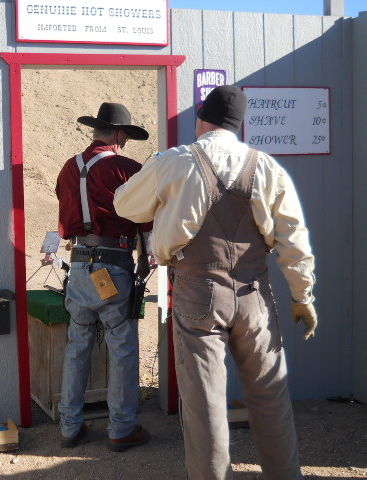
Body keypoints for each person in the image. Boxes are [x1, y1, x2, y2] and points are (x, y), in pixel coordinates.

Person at [113, 86, 317, 479]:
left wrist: (165, 204)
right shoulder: (267, 167)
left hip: (197, 292)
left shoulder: (175, 161)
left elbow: (124, 204)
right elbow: (295, 238)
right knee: (271, 397)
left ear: (201, 119)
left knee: (205, 404)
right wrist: (302, 295)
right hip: (255, 295)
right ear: (238, 125)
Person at [56, 102, 153, 452]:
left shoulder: (69, 168)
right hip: (113, 263)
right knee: (122, 348)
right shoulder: (127, 168)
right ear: (119, 135)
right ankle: (121, 428)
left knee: (77, 346)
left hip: (79, 264)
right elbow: (147, 220)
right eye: (125, 137)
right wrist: (148, 257)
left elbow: (64, 213)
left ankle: (69, 427)